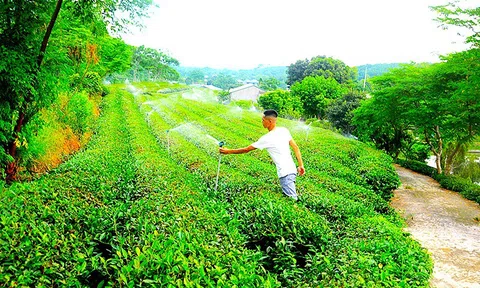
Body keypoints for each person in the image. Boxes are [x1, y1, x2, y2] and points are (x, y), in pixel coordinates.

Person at [219, 110, 305, 200]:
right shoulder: (284, 130)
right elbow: (296, 147)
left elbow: (246, 149)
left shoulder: (267, 138)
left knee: (291, 200)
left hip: (285, 174)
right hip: (291, 170)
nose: (262, 122)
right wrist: (301, 165)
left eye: (263, 120)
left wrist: (228, 151)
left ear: (270, 121)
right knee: (289, 198)